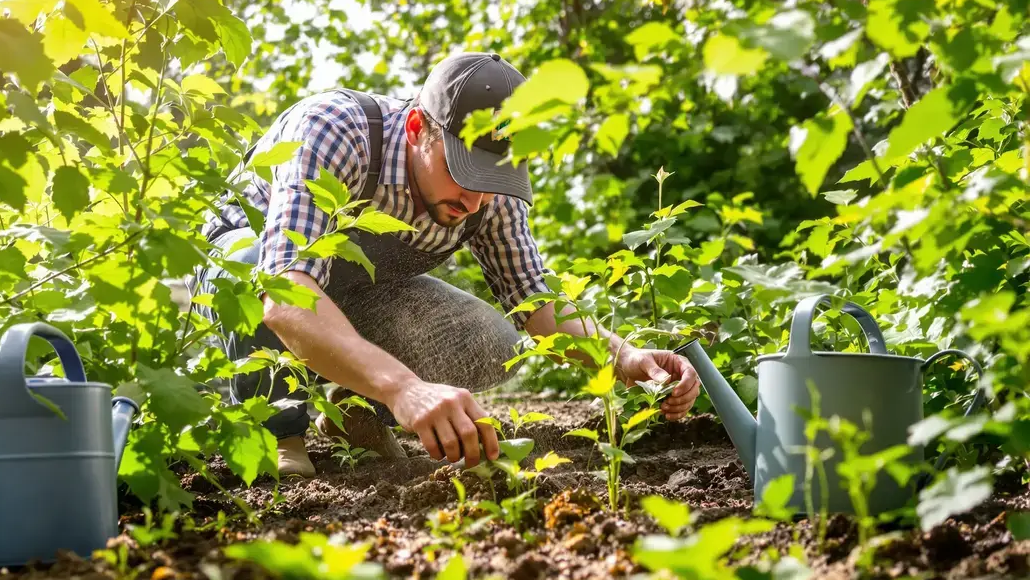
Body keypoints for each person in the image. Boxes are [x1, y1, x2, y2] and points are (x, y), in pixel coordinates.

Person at [190, 52, 701, 477]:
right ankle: (277, 431)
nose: (476, 200)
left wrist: (623, 356)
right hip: (257, 274)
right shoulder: (336, 130)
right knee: (249, 260)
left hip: (354, 292)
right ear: (417, 128)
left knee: (494, 344)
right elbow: (284, 291)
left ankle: (354, 408)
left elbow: (533, 297)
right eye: (463, 171)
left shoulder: (487, 194)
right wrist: (404, 388)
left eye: (493, 178)